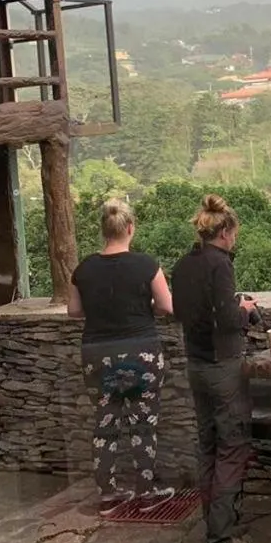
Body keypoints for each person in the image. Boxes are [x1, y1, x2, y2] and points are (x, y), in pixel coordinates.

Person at [68, 198, 176, 516]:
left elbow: (74, 311)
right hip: (140, 349)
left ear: (104, 230)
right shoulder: (146, 265)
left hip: (97, 353)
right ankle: (147, 491)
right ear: (130, 228)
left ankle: (108, 493)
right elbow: (167, 306)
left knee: (106, 419)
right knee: (143, 419)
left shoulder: (83, 269)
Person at [170, 194, 259, 543]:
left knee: (208, 445)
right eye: (234, 233)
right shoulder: (220, 265)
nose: (235, 239)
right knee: (232, 446)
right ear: (224, 232)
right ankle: (220, 541)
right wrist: (245, 310)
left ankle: (215, 526)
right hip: (223, 367)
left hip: (195, 364)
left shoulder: (182, 265)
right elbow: (226, 320)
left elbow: (182, 312)